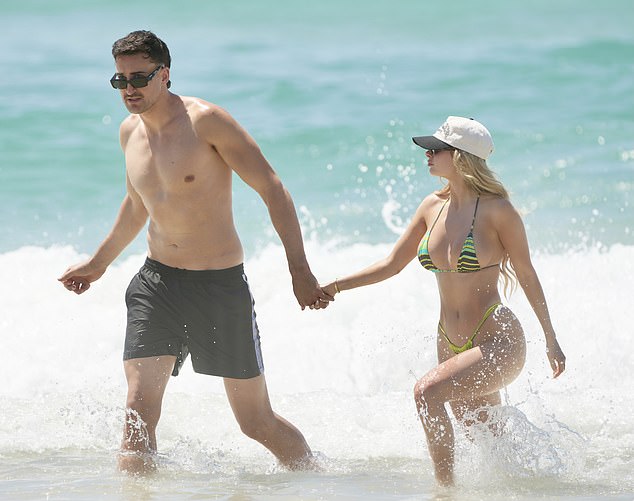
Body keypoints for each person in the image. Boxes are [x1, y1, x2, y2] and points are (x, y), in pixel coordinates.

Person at [58, 30, 332, 474]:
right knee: (137, 414)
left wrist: (299, 271)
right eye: (119, 80)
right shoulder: (130, 134)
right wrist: (98, 263)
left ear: (164, 75)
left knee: (256, 423)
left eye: (138, 78)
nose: (129, 89)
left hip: (218, 285)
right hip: (157, 283)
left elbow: (272, 189)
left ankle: (317, 481)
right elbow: (136, 206)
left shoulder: (207, 122)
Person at [320, 116, 566, 486]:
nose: (428, 155)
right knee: (485, 440)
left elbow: (528, 275)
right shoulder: (430, 206)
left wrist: (550, 338)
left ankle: (444, 492)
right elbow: (390, 265)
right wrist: (333, 287)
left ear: (463, 157)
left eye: (436, 149)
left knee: (426, 393)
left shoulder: (498, 211)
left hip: (496, 339)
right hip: (448, 340)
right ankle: (539, 486)